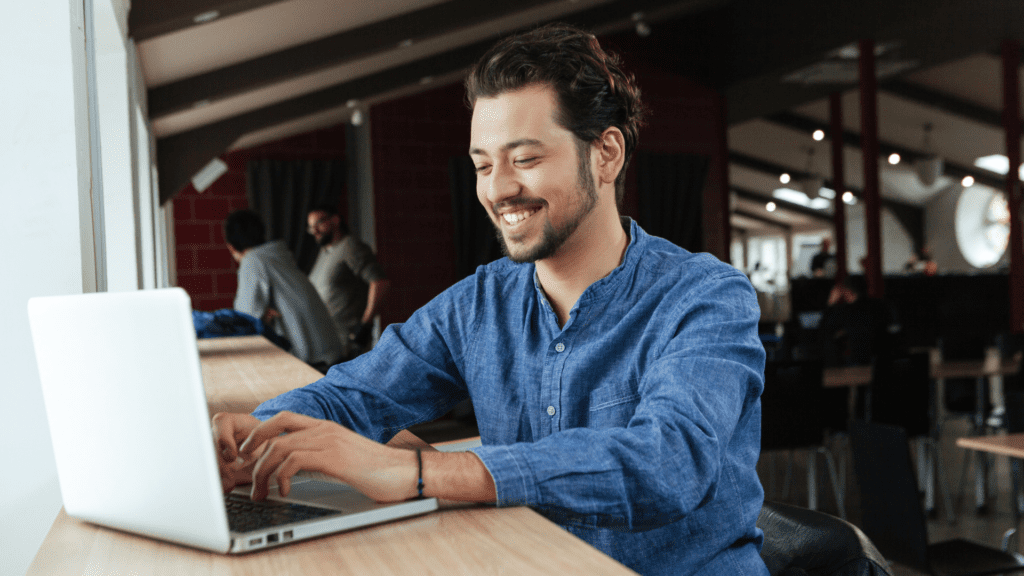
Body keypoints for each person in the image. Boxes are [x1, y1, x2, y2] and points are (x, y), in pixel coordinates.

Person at [213, 24, 766, 576]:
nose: (497, 189)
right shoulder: (479, 304)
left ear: (606, 153)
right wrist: (254, 439)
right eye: (482, 165)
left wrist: (418, 473)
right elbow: (354, 396)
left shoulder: (704, 297)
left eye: (524, 159)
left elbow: (666, 466)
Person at [224, 209, 343, 370]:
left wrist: (261, 318)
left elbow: (245, 321)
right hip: (330, 353)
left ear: (231, 247)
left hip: (314, 363)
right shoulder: (277, 256)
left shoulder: (253, 260)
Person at [306, 205, 390, 360]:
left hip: (349, 343)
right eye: (311, 227)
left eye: (319, 223)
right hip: (326, 342)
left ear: (335, 220)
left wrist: (365, 324)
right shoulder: (324, 252)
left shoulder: (351, 246)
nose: (315, 231)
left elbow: (380, 282)